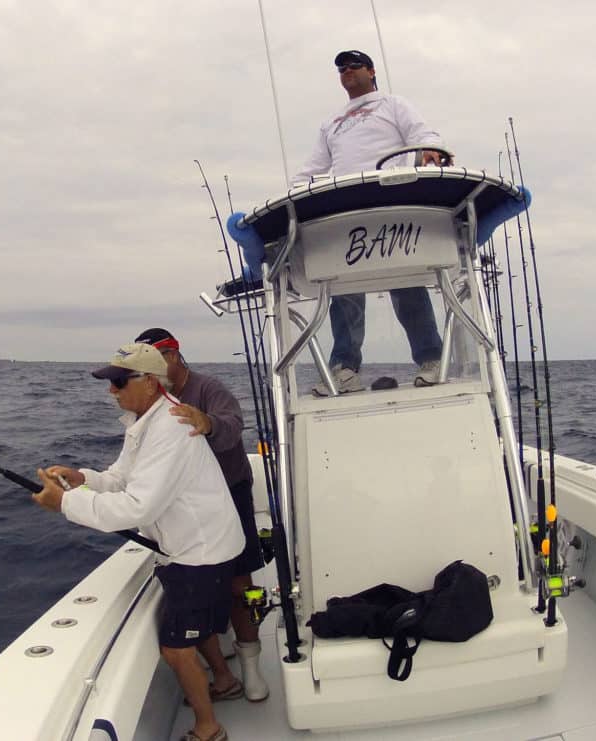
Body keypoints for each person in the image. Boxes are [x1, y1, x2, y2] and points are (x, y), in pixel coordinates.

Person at [33, 342, 242, 741]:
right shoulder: (145, 418)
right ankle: (226, 680)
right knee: (199, 628)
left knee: (177, 649)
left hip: (200, 553)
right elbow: (122, 477)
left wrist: (65, 503)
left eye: (118, 381)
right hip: (191, 548)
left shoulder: (170, 428)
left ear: (148, 382)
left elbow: (135, 508)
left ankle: (208, 728)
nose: (111, 390)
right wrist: (84, 479)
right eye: (109, 382)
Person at [291, 49, 449, 395]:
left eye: (353, 65)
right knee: (344, 290)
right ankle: (344, 369)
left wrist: (432, 151)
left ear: (371, 71)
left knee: (408, 283)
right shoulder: (330, 123)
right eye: (341, 68)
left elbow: (424, 135)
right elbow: (312, 169)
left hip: (392, 205)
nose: (347, 71)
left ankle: (432, 359)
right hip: (347, 212)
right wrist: (292, 194)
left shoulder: (393, 104)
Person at [134, 327, 269, 703]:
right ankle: (224, 673)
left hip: (230, 495)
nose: (150, 371)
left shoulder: (209, 389)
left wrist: (206, 422)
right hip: (184, 508)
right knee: (194, 585)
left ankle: (253, 670)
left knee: (240, 583)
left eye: (155, 360)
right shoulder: (149, 399)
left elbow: (232, 427)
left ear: (174, 356)